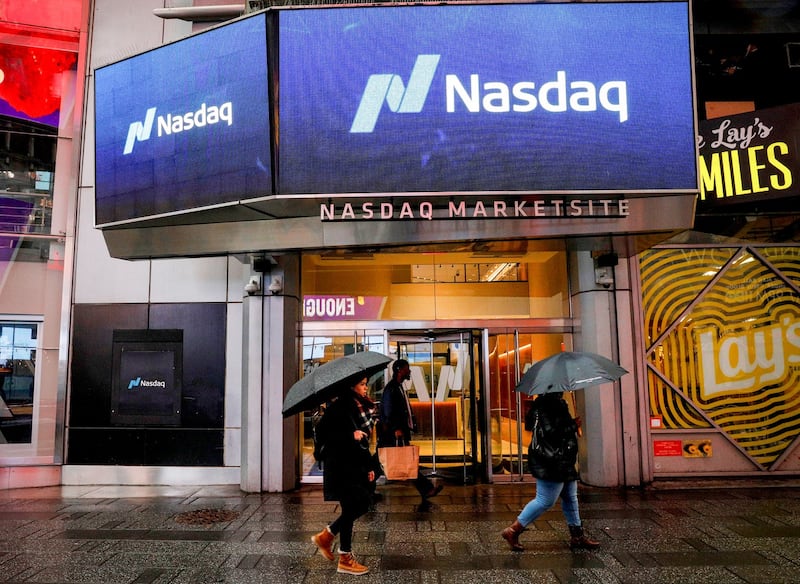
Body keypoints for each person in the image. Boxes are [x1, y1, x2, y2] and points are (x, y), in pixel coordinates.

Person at [501, 391, 600, 552]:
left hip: (562, 459)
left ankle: (577, 535)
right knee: (545, 500)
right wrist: (573, 425)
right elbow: (552, 432)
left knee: (570, 497)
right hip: (552, 461)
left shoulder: (548, 404)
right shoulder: (548, 405)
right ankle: (513, 530)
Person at [311, 376, 379, 575]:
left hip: (353, 466)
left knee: (353, 507)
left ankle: (340, 552)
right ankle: (336, 547)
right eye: (362, 384)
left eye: (366, 383)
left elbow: (363, 442)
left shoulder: (356, 405)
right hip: (342, 468)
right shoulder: (339, 408)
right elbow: (324, 437)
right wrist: (351, 435)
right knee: (361, 503)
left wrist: (369, 466)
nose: (366, 388)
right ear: (352, 387)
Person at [378, 359, 443, 499]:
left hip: (395, 432)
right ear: (399, 370)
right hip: (392, 433)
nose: (409, 371)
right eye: (407, 369)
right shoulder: (392, 388)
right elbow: (389, 411)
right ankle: (426, 489)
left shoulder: (398, 387)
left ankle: (426, 490)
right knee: (400, 461)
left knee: (387, 461)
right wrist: (396, 429)